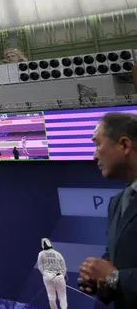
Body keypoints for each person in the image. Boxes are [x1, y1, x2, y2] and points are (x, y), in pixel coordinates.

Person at [80, 112, 137, 309]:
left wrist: (113, 277)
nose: (94, 155)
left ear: (124, 145)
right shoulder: (117, 202)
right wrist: (100, 282)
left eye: (98, 144)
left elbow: (115, 273)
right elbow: (117, 261)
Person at [38, 238, 68, 309]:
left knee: (51, 297)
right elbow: (64, 267)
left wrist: (45, 275)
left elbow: (40, 266)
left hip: (48, 278)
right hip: (59, 276)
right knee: (62, 297)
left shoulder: (41, 254)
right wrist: (62, 276)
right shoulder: (58, 253)